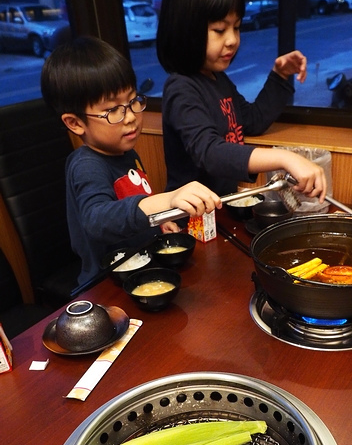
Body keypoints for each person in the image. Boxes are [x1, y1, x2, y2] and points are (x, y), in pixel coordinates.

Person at [41, 36, 221, 287]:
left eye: (133, 101)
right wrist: (167, 200)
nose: (130, 118)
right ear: (75, 122)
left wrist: (161, 221)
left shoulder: (127, 153)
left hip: (142, 268)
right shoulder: (86, 165)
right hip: (106, 284)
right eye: (113, 110)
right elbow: (97, 220)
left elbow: (136, 207)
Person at [156, 0, 327, 201]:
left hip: (221, 208)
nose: (233, 40)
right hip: (190, 218)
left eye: (236, 27)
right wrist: (285, 157)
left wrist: (280, 76)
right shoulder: (181, 87)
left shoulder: (218, 80)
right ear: (185, 29)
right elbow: (211, 153)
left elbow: (252, 121)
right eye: (219, 30)